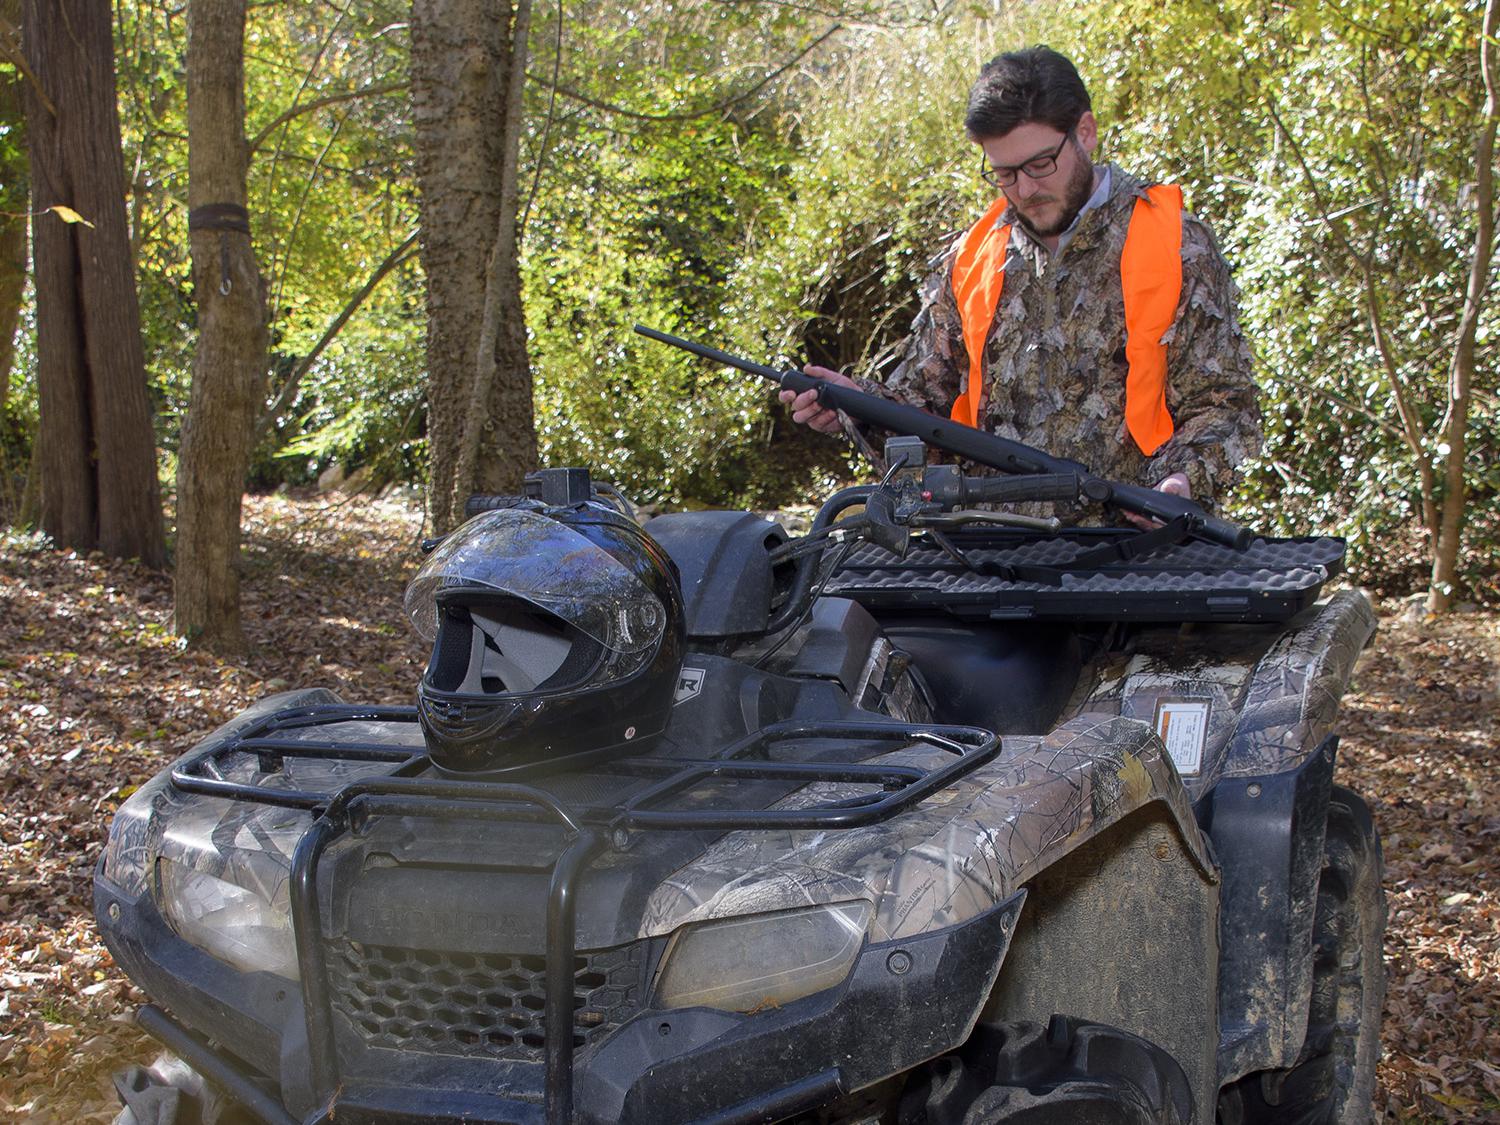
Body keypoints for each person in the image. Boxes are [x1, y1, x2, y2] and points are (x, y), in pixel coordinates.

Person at [781, 46, 1261, 513]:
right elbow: (927, 411)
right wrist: (857, 406)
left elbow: (1224, 405)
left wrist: (1179, 484)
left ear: (1086, 132)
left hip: (1136, 554)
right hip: (990, 545)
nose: (1026, 189)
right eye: (1005, 173)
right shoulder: (971, 257)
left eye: (1040, 164)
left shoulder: (1176, 242)